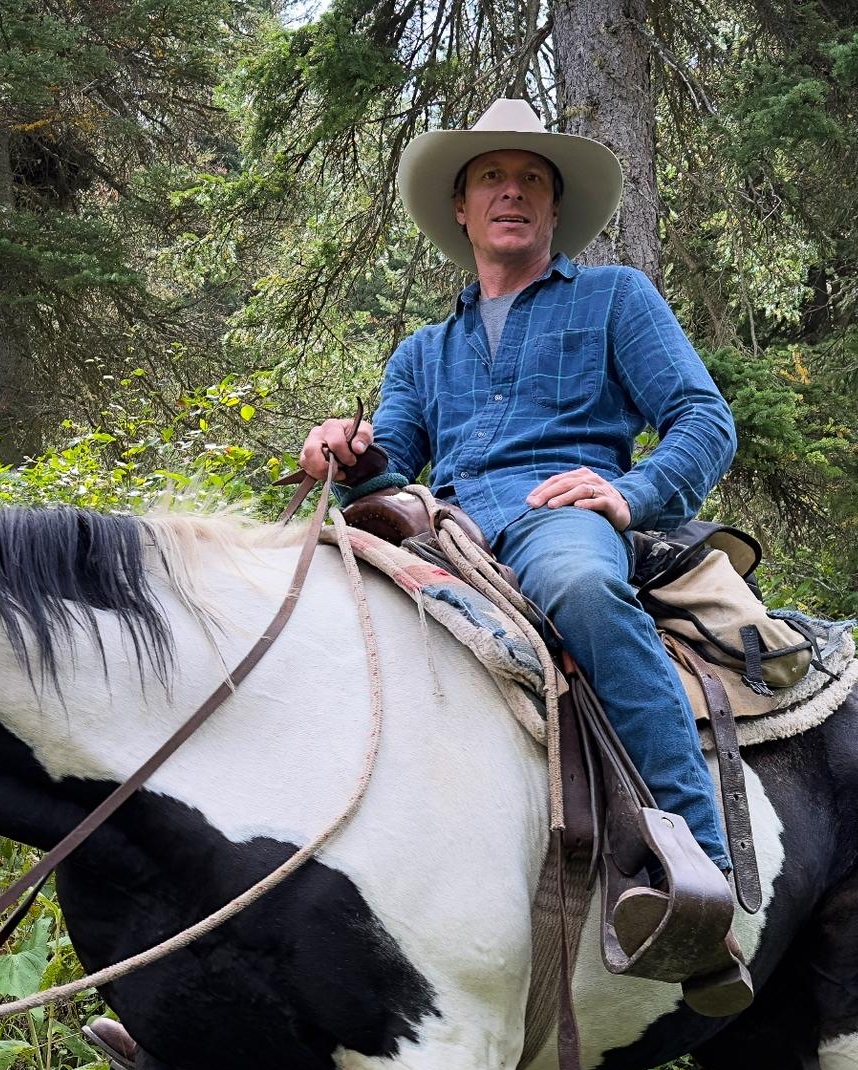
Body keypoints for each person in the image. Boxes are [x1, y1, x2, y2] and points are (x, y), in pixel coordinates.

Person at [300, 98, 749, 1015]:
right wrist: (346, 454)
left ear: (551, 210)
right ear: (462, 209)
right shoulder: (425, 352)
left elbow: (706, 418)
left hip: (558, 515)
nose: (512, 192)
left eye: (531, 180)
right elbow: (386, 466)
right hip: (445, 527)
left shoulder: (617, 298)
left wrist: (629, 495)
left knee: (583, 587)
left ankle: (694, 876)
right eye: (492, 180)